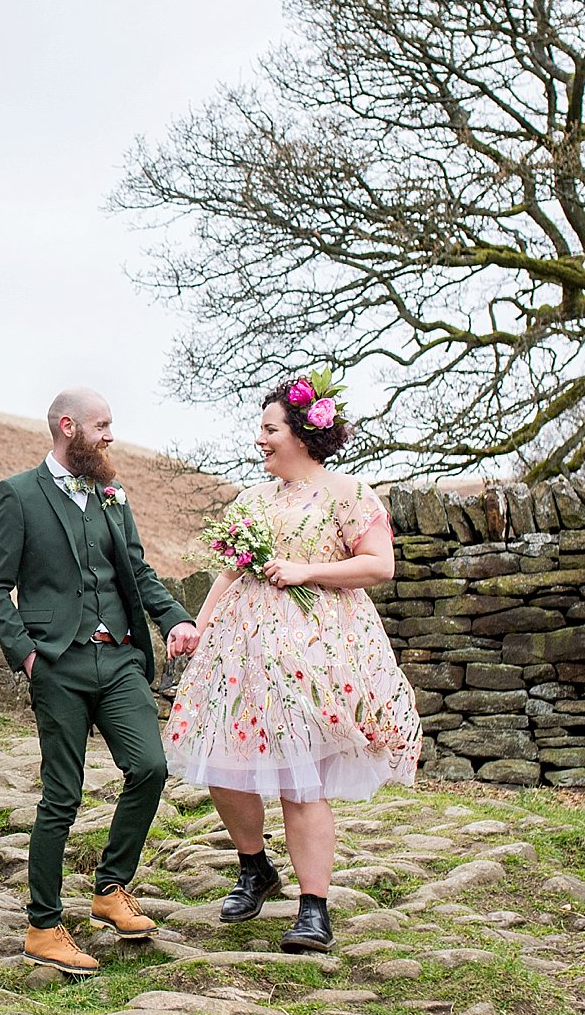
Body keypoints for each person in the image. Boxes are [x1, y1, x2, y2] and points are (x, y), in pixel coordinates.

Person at [163, 376, 420, 952]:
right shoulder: (252, 500)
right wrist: (199, 628)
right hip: (241, 657)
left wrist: (306, 571)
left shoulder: (350, 494)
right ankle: (254, 866)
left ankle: (313, 908)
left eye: (269, 428)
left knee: (302, 782)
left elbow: (380, 566)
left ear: (302, 433)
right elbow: (231, 571)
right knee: (222, 767)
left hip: (319, 655)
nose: (260, 439)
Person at [0, 388, 201, 977]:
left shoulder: (111, 494)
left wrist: (175, 615)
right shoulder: (18, 495)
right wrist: (26, 655)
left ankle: (110, 889)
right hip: (58, 663)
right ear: (68, 426)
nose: (110, 436)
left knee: (150, 767)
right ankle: (43, 925)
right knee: (63, 797)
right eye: (102, 425)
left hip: (120, 658)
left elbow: (136, 569)